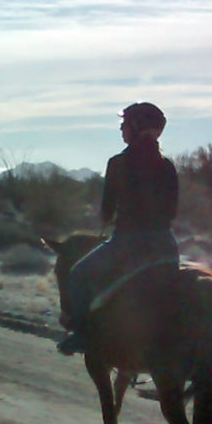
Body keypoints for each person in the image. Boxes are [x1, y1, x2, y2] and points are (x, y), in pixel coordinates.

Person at [57, 102, 179, 356]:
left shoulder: (118, 163)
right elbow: (172, 212)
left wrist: (110, 218)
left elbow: (106, 212)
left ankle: (81, 333)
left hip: (129, 244)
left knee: (78, 275)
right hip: (166, 245)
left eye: (124, 125)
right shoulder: (167, 166)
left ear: (135, 127)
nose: (121, 130)